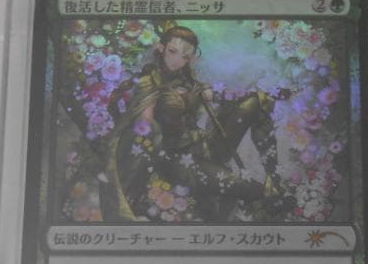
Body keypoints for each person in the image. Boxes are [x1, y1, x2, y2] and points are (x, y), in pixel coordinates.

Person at [101, 25, 281, 222]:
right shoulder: (148, 82)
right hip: (177, 161)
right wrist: (148, 128)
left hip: (204, 146)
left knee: (256, 101)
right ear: (161, 48)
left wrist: (228, 96)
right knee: (252, 189)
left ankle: (274, 174)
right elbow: (144, 124)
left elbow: (211, 95)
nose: (177, 61)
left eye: (185, 57)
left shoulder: (186, 78)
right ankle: (262, 194)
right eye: (173, 51)